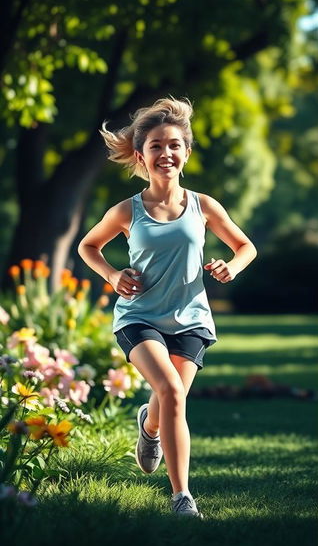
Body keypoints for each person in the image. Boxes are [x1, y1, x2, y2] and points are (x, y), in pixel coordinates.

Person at [78, 97, 257, 518]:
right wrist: (111, 275)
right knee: (172, 391)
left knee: (168, 399)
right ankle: (182, 498)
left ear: (186, 152)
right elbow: (88, 246)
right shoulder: (128, 210)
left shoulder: (203, 205)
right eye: (156, 146)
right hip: (139, 317)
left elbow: (246, 246)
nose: (166, 153)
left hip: (191, 319)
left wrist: (231, 266)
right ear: (141, 156)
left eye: (174, 145)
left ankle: (149, 427)